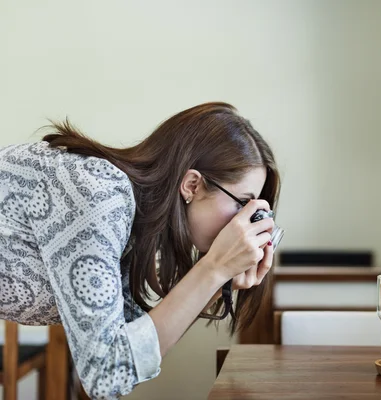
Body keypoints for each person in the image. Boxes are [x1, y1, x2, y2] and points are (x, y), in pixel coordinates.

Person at [0, 102, 280, 398]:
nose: (243, 223)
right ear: (192, 185)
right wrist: (214, 268)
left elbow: (132, 351)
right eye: (242, 203)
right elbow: (105, 374)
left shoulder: (131, 224)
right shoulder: (99, 197)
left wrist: (218, 276)